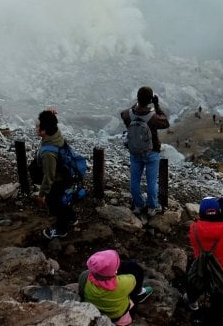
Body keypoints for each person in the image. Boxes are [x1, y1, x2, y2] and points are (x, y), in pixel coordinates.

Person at [184, 197, 223, 325]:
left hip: (202, 271)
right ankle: (214, 320)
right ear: (219, 211)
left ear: (201, 213)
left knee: (192, 280)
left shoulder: (194, 228)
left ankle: (192, 301)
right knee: (219, 301)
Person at [119, 87, 169, 216]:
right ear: (150, 100)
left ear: (137, 98)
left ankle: (138, 205)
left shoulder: (128, 114)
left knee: (135, 180)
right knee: (151, 181)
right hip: (152, 152)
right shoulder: (153, 117)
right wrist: (156, 105)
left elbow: (123, 114)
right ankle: (153, 207)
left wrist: (136, 104)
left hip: (135, 151)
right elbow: (165, 122)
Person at [79, 249, 154, 325]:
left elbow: (81, 293)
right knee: (136, 272)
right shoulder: (124, 282)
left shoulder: (84, 276)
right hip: (116, 316)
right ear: (116, 270)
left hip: (94, 311)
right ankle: (139, 293)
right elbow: (133, 278)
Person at [34, 109, 77, 240]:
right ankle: (72, 218)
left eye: (37, 126)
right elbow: (50, 122)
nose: (35, 127)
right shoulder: (56, 133)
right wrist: (48, 113)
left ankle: (61, 230)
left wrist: (42, 195)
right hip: (66, 176)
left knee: (56, 205)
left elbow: (49, 177)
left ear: (43, 131)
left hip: (57, 182)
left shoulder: (48, 153)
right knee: (64, 201)